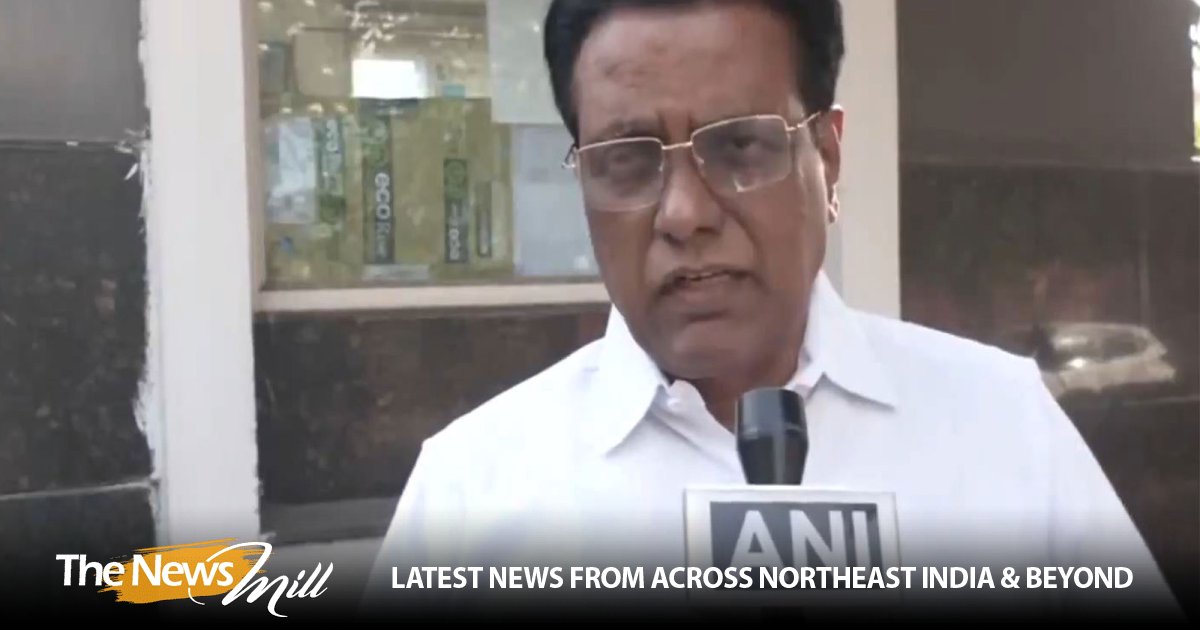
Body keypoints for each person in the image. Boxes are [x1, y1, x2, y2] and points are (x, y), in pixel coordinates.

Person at [362, 0, 1180, 620]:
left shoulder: (1005, 431)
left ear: (827, 157)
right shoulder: (474, 490)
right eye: (627, 161)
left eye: (739, 146)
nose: (685, 213)